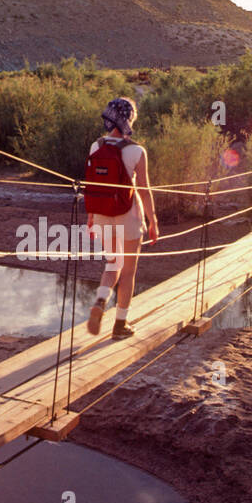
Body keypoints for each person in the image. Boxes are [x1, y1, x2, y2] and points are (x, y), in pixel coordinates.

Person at [85, 97, 159, 339]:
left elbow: (92, 185)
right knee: (128, 272)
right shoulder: (137, 151)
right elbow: (145, 190)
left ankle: (100, 300)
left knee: (112, 265)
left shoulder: (95, 147)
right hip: (129, 214)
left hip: (103, 213)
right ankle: (120, 325)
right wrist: (153, 221)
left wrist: (91, 216)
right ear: (130, 119)